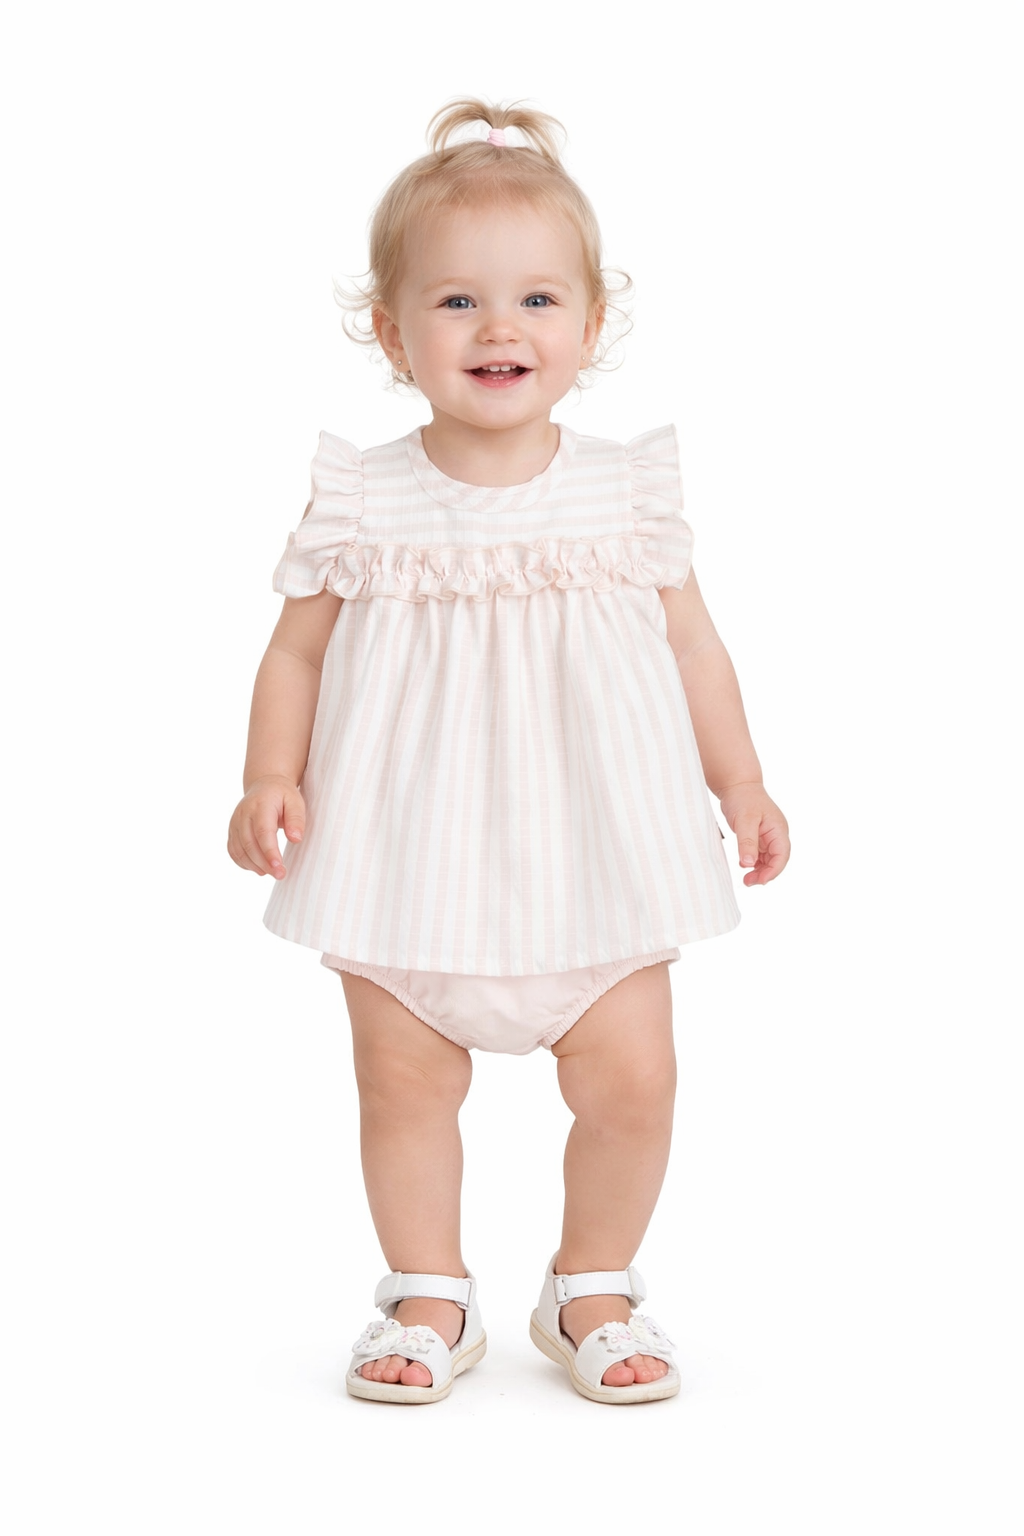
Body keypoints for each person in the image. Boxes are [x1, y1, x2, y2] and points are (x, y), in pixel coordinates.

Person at [227, 98, 790, 1406]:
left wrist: (742, 780)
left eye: (538, 299)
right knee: (402, 1086)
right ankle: (429, 1289)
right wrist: (269, 774)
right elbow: (296, 651)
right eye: (458, 303)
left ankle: (592, 1283)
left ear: (590, 326)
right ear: (392, 331)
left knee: (637, 1082)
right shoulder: (363, 495)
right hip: (403, 857)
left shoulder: (625, 490)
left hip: (601, 853)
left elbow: (695, 647)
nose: (500, 330)